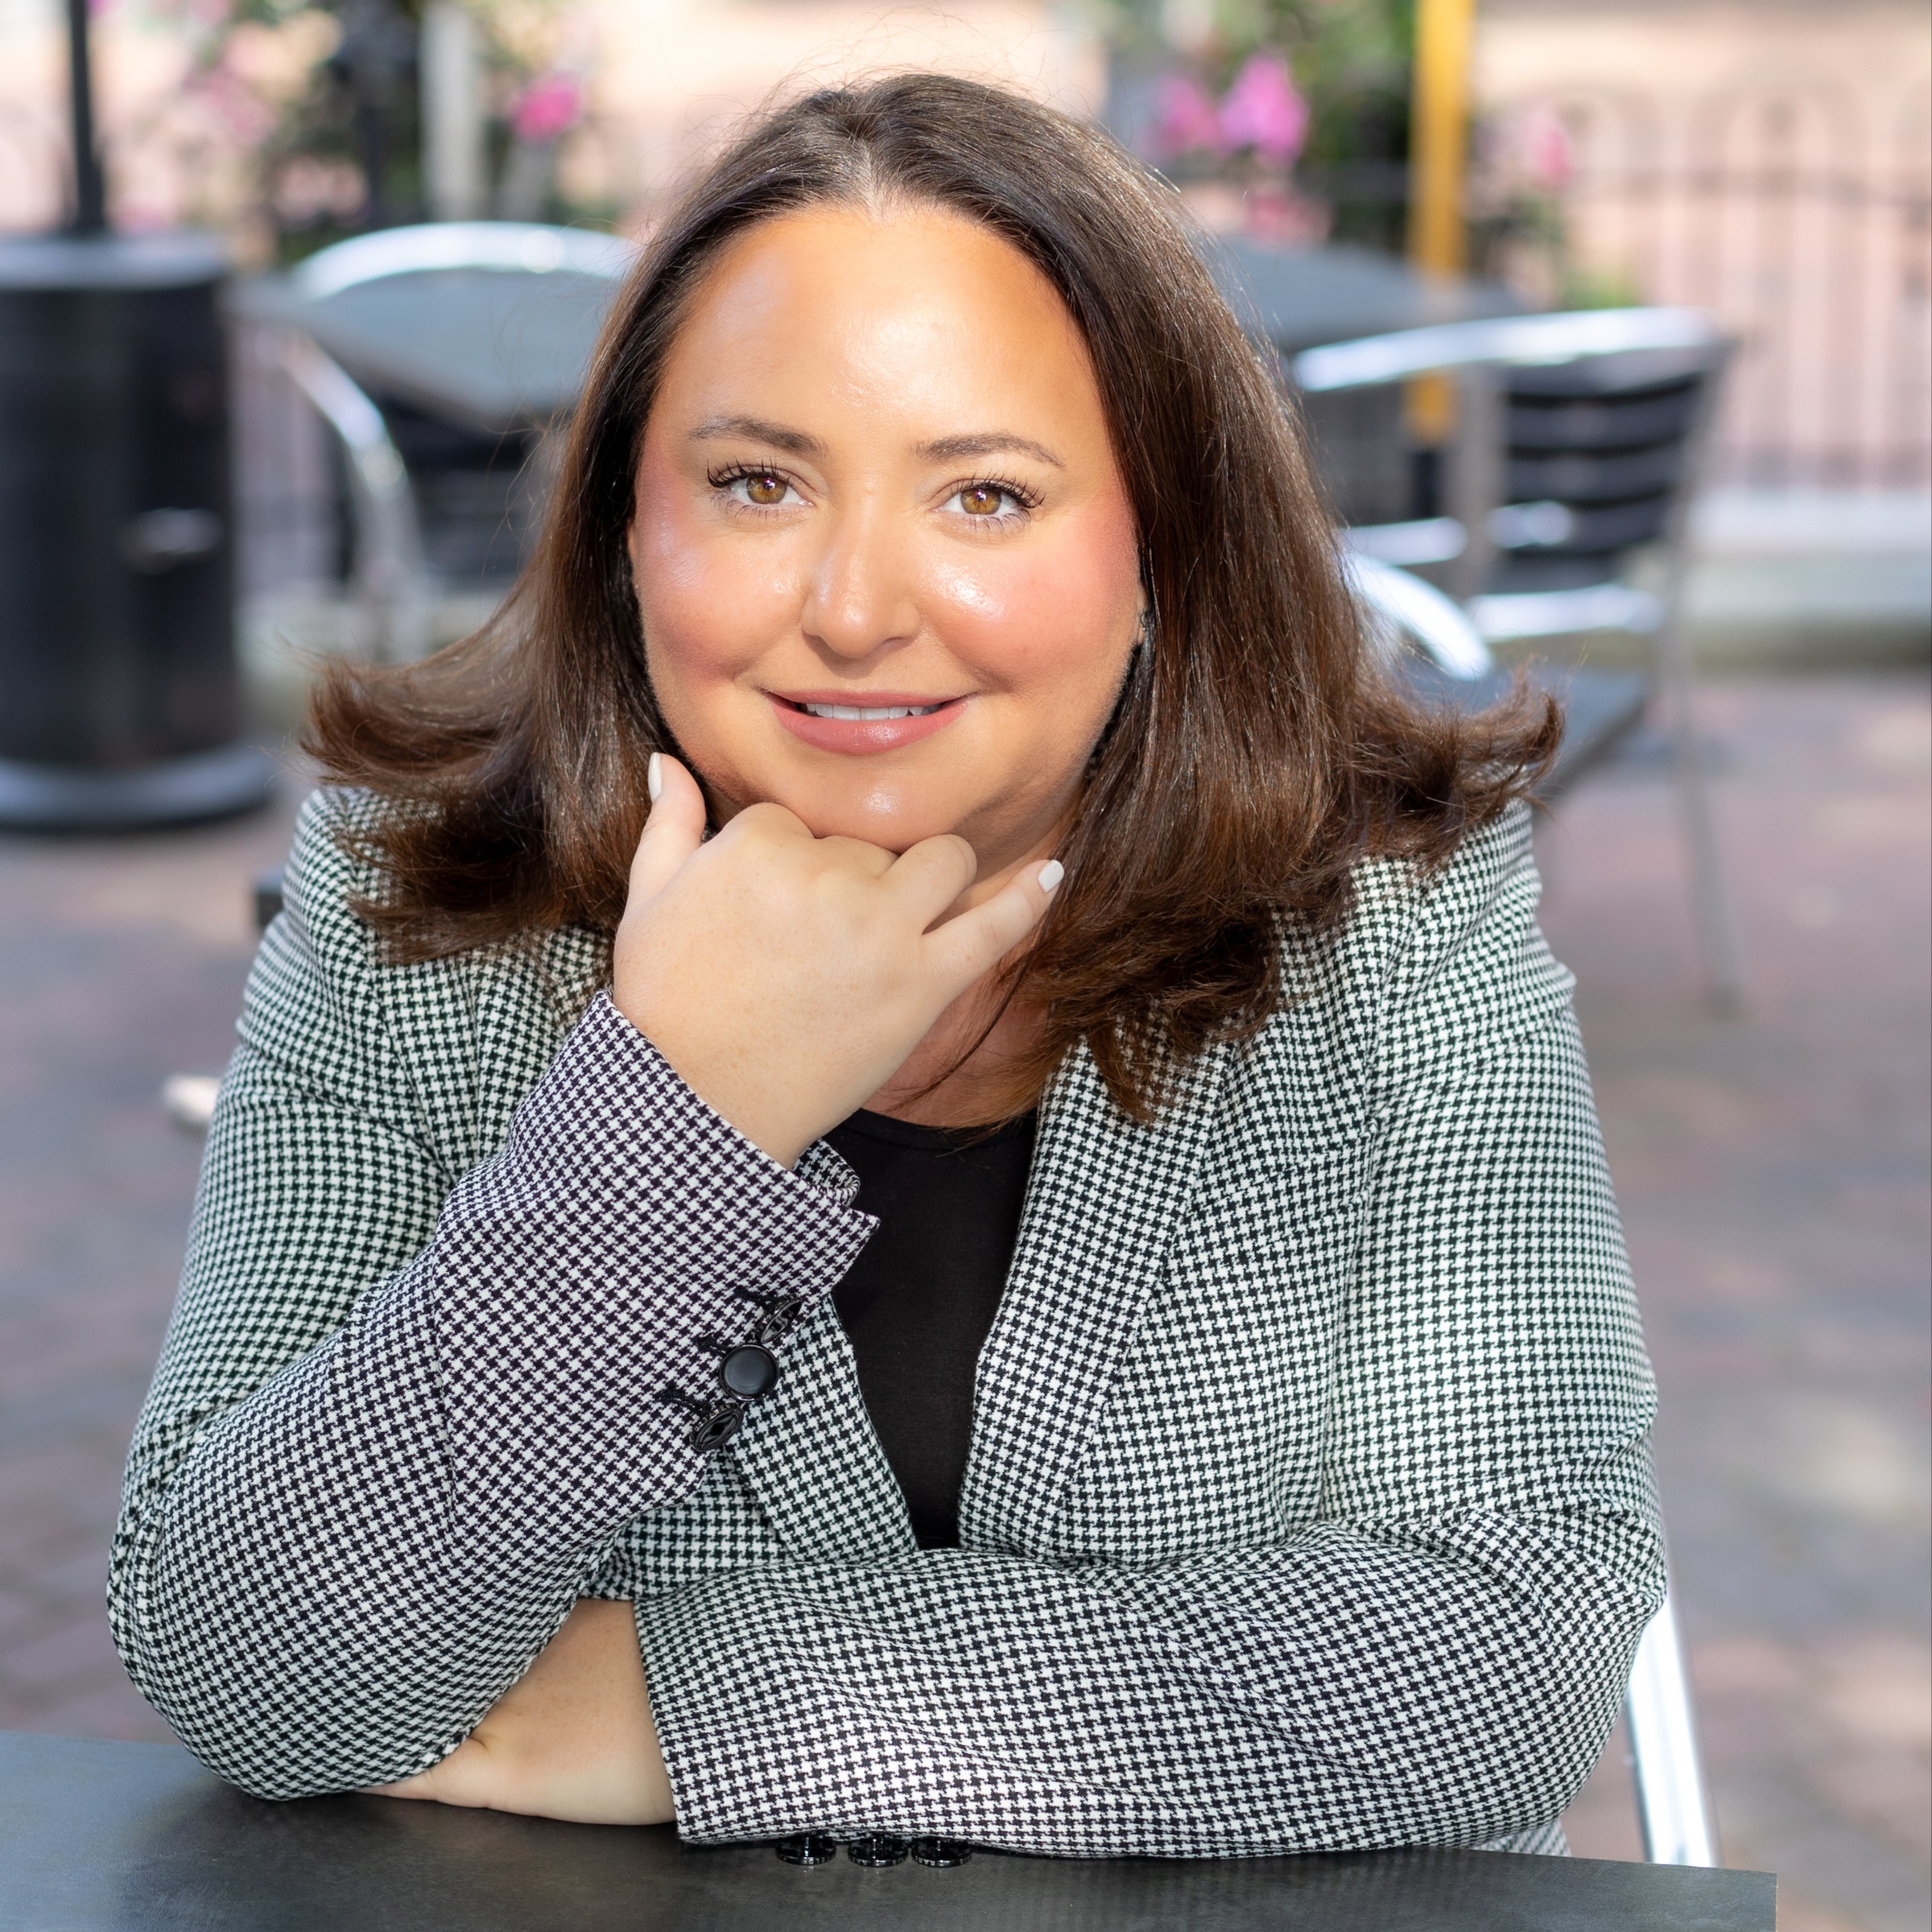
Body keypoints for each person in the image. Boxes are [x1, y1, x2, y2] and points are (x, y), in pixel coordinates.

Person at [109, 74, 1661, 1859]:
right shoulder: (421, 908)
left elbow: (1512, 1651)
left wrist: (690, 1711)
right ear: (625, 532)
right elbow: (244, 1661)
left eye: (986, 497)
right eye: (757, 483)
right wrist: (671, 1127)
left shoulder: (1390, 921)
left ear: (1158, 550)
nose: (854, 609)